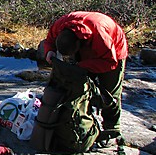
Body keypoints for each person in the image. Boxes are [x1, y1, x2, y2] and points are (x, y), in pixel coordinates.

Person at [43, 11, 128, 139]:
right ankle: (83, 123)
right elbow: (49, 40)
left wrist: (81, 67)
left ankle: (112, 128)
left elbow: (110, 62)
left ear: (79, 44)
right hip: (86, 50)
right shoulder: (60, 25)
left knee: (110, 93)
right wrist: (49, 51)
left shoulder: (100, 35)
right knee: (79, 86)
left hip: (113, 53)